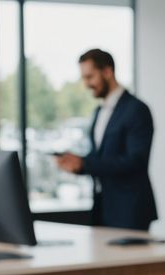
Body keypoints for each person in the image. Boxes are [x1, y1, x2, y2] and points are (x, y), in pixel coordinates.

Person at [55, 48, 158, 231]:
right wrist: (77, 165)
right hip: (102, 207)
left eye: (90, 77)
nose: (86, 84)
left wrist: (85, 164)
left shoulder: (136, 109)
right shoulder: (98, 112)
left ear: (107, 72)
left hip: (130, 210)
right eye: (84, 78)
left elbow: (136, 161)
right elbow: (100, 156)